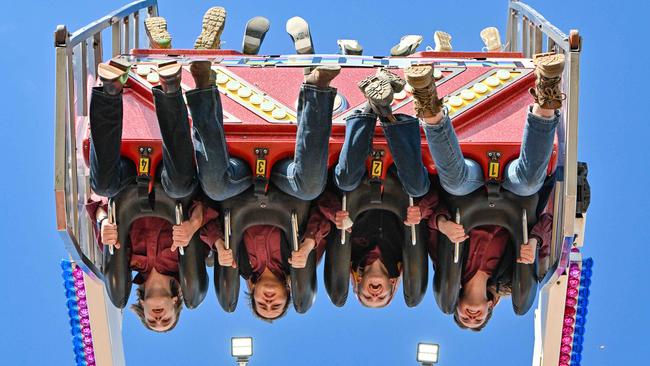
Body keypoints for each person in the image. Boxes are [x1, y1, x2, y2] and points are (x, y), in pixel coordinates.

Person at [405, 52, 565, 329]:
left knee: (453, 181)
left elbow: (429, 210)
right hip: (515, 194)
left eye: (463, 318)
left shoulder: (445, 262)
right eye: (478, 319)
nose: (471, 316)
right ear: (491, 307)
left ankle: (429, 107)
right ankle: (546, 96)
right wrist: (535, 243)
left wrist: (442, 225)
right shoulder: (508, 274)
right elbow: (548, 223)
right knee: (529, 182)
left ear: (454, 304)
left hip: (468, 189)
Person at [86, 57, 228, 332]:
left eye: (152, 320)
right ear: (176, 303)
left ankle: (109, 89)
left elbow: (97, 205)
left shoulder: (126, 261)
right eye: (166, 319)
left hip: (127, 181)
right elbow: (209, 210)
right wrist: (192, 225)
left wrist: (103, 222)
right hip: (173, 179)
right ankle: (170, 88)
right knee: (180, 185)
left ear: (143, 308)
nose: (159, 316)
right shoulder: (188, 261)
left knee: (102, 186)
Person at [211, 46, 342, 320]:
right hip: (286, 181)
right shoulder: (301, 259)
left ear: (252, 290)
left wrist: (215, 243)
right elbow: (321, 214)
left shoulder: (238, 263)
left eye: (262, 305)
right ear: (288, 291)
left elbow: (207, 217)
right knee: (310, 187)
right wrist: (308, 243)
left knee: (214, 186)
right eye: (276, 305)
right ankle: (315, 87)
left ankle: (204, 85)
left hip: (241, 180)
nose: (269, 301)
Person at [311, 69, 446, 308]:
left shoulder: (348, 253)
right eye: (381, 298)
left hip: (357, 178)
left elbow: (321, 201)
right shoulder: (405, 252)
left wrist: (336, 215)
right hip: (400, 178)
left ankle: (369, 108)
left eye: (366, 297)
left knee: (345, 181)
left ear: (358, 284)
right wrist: (421, 212)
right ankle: (384, 110)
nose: (374, 294)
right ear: (393, 285)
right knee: (418, 186)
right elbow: (436, 199)